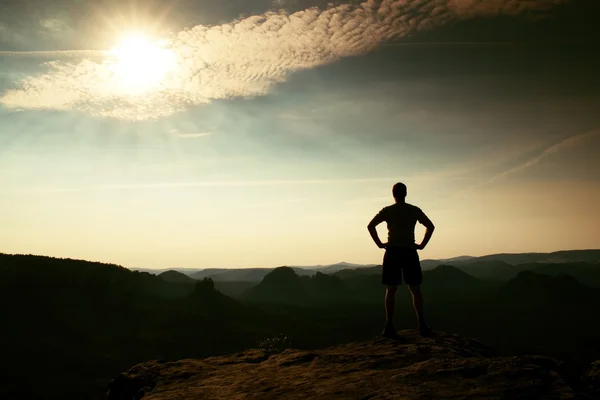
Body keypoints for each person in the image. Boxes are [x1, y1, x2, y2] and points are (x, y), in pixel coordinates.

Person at [367, 182, 435, 338]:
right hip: (410, 251)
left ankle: (389, 326)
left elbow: (370, 226)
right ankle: (422, 325)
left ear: (393, 194)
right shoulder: (414, 210)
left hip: (392, 251)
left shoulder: (388, 211)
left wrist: (379, 244)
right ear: (406, 193)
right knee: (415, 289)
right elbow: (430, 226)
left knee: (391, 289)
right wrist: (422, 245)